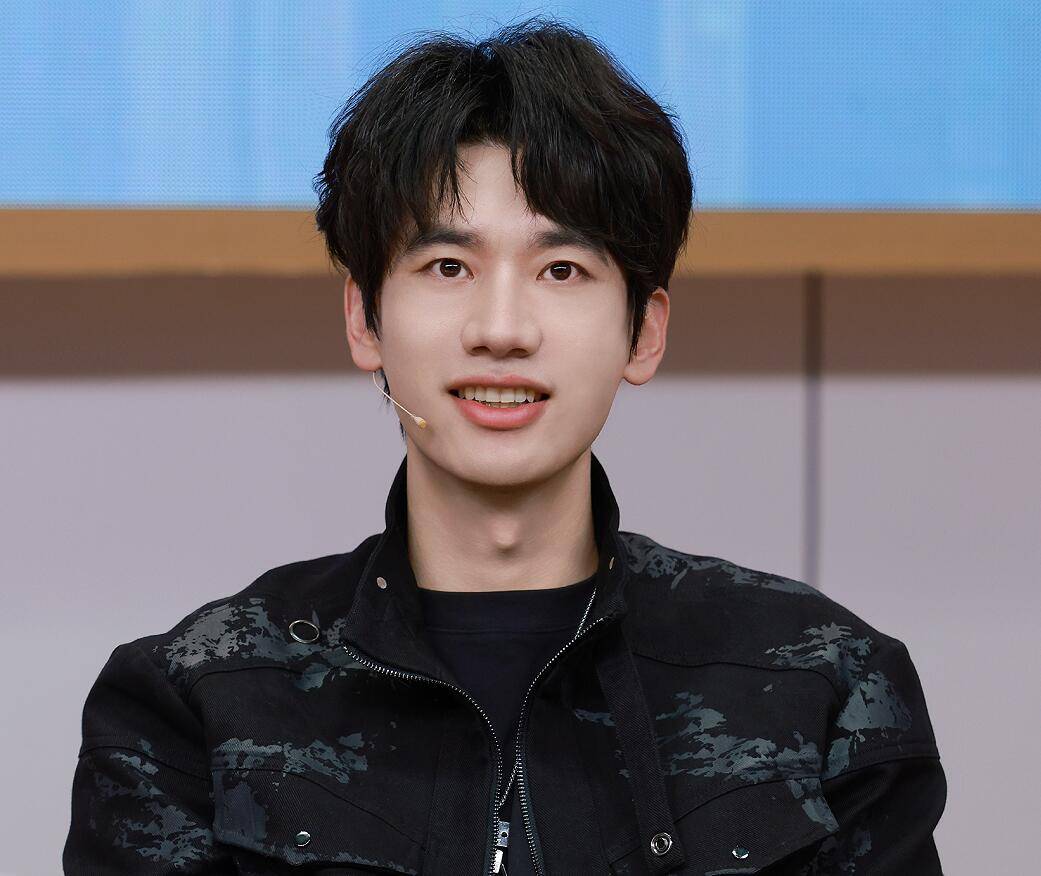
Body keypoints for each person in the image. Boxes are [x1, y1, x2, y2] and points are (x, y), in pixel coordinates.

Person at [63, 17, 946, 875]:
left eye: (562, 270)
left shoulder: (823, 685)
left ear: (643, 333)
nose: (501, 329)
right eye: (447, 267)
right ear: (364, 320)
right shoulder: (195, 703)